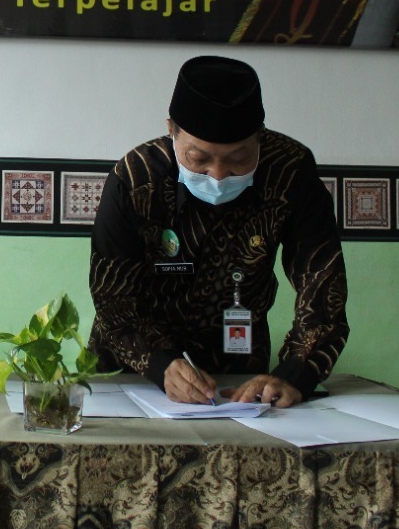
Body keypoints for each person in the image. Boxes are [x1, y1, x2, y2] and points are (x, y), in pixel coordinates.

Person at [88, 55, 349, 407]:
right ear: (171, 130)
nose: (218, 174)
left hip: (239, 371)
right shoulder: (136, 179)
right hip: (131, 371)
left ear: (260, 137)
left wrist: (295, 374)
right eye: (199, 158)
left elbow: (323, 288)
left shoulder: (290, 171)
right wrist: (160, 365)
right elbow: (112, 300)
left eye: (239, 158)